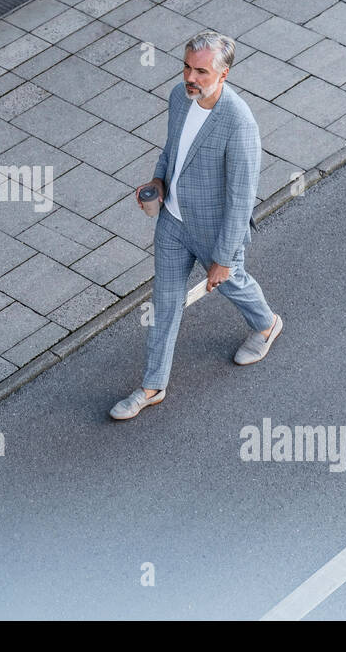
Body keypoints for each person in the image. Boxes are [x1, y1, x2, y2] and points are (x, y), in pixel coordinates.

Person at [110, 31, 282, 420]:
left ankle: (267, 324)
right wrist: (157, 182)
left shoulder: (239, 124)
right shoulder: (179, 97)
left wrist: (222, 257)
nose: (190, 77)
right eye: (187, 67)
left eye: (201, 71)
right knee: (166, 302)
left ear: (223, 75)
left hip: (213, 230)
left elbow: (241, 199)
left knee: (233, 283)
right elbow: (173, 150)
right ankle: (152, 386)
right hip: (172, 222)